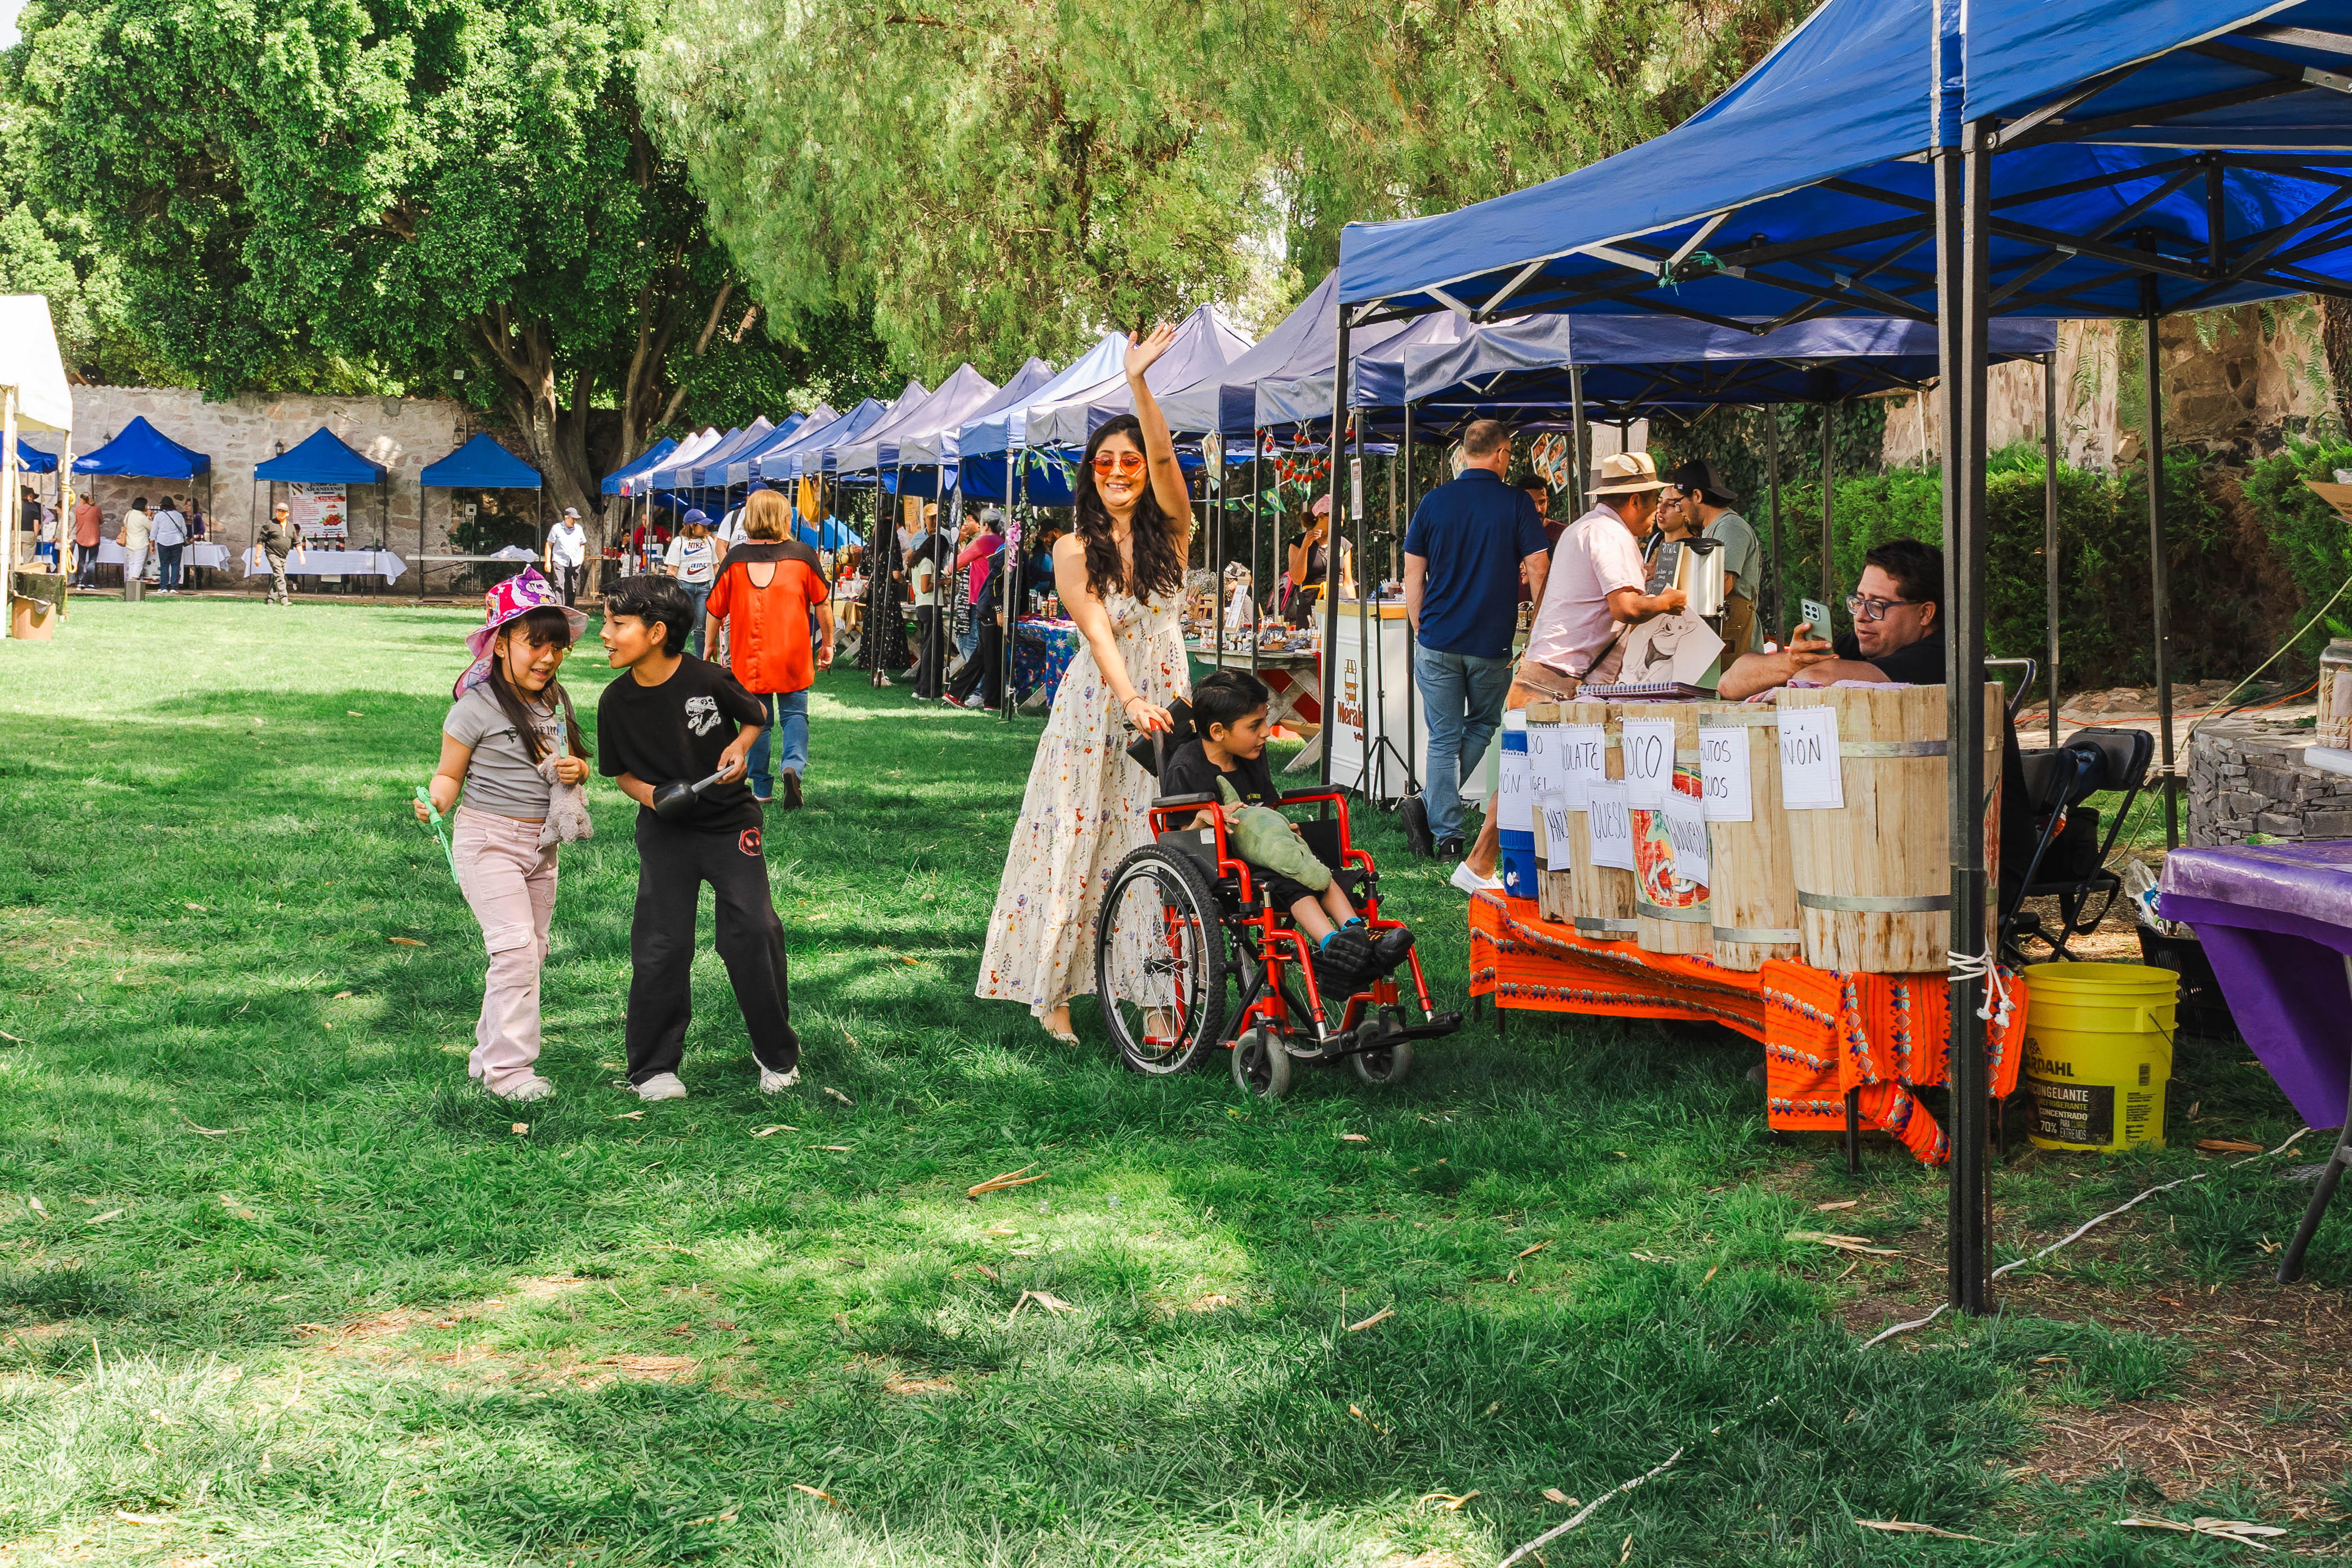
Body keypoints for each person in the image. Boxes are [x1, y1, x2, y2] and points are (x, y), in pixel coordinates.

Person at [978, 325, 1191, 1045]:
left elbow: (1163, 455)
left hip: (1168, 696)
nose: (1120, 470)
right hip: (1099, 702)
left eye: (1130, 461)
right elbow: (1098, 632)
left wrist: (1138, 383)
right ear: (1089, 473)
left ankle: (1156, 994)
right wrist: (1129, 698)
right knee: (1077, 837)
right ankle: (1055, 990)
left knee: (1157, 841)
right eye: (1105, 461)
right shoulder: (1073, 547)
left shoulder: (1174, 528)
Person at [596, 574, 801, 1101]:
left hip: (730, 824)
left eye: (617, 623)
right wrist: (652, 796)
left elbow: (756, 716)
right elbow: (620, 774)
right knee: (662, 944)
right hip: (666, 833)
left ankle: (776, 1055)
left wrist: (741, 747)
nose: (605, 633)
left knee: (754, 929)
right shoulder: (615, 702)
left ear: (656, 632)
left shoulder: (708, 677)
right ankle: (653, 1068)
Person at [1455, 450, 1687, 889]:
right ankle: (1487, 867)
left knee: (1522, 780)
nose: (1655, 512)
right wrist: (1667, 601)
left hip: (1545, 672)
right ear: (1633, 500)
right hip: (1562, 681)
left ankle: (1483, 867)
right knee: (1537, 783)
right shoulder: (1610, 534)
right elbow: (1625, 607)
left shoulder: (1584, 528)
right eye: (1651, 501)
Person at [415, 569, 592, 1103]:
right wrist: (436, 801)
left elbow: (569, 763)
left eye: (557, 646)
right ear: (500, 644)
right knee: (515, 950)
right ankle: (510, 1073)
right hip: (488, 841)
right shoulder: (475, 707)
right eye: (535, 643)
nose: (548, 657)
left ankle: (488, 1058)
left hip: (541, 847)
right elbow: (449, 774)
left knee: (530, 952)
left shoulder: (553, 702)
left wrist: (579, 771)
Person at [1162, 670, 1415, 989]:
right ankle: (1334, 947)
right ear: (1218, 731)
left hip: (1268, 852)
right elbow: (1179, 836)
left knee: (1316, 867)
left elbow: (1267, 808)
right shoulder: (1186, 767)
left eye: (1265, 721)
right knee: (1289, 880)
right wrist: (1204, 817)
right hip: (1224, 868)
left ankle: (1357, 935)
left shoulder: (1251, 754)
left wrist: (1280, 826)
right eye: (1255, 726)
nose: (1267, 733)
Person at [1401, 419, 1552, 880]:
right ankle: (1431, 808)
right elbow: (1539, 568)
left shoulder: (1433, 501)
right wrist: (1540, 626)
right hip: (1491, 644)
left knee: (1443, 737)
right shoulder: (1517, 503)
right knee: (1484, 724)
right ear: (1502, 454)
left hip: (1437, 637)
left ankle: (1445, 832)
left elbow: (1412, 573)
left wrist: (1419, 626)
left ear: (1464, 454)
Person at [705, 488, 832, 809]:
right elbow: (823, 603)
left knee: (756, 721)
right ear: (784, 518)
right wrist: (829, 642)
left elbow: (715, 609)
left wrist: (709, 643)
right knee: (795, 715)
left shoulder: (735, 558)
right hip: (793, 652)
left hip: (749, 655)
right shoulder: (803, 555)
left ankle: (762, 788)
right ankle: (793, 768)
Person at [1719, 536, 1948, 698]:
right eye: (1859, 601)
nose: (1861, 616)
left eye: (1877, 606)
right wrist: (1792, 661)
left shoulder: (1941, 656)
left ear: (1925, 613)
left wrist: (1797, 668)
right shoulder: (1861, 643)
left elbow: (1812, 679)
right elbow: (1729, 683)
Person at [1662, 461, 1764, 655]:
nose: (1678, 510)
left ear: (1697, 496)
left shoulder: (1731, 527)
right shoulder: (1711, 530)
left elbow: (1722, 587)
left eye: (1679, 502)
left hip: (1734, 636)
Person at [1284, 494, 1353, 625]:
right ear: (1321, 516)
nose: (1340, 525)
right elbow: (1297, 579)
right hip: (1310, 604)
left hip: (1339, 601)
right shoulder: (1299, 542)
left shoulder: (1343, 544)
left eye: (1342, 521)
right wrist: (1305, 546)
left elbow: (1348, 582)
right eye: (1337, 520)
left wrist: (1353, 610)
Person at [663, 509, 721, 656]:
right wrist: (672, 593)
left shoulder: (709, 541)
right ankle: (675, 657)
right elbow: (672, 570)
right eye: (703, 525)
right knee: (680, 625)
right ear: (692, 526)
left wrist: (720, 585)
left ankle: (701, 659)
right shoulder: (679, 542)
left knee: (701, 628)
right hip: (684, 587)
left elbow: (716, 566)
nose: (706, 528)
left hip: (704, 588)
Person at [257, 500, 303, 605]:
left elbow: (297, 542)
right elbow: (260, 541)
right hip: (272, 554)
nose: (280, 513)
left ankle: (269, 600)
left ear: (287, 513)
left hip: (283, 556)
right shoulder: (270, 524)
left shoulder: (291, 527)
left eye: (282, 511)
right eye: (278, 511)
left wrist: (302, 556)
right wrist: (258, 556)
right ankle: (284, 599)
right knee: (280, 576)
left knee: (277, 577)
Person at [545, 506, 589, 606]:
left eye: (576, 519)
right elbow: (549, 544)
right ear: (566, 518)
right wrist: (548, 562)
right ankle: (560, 608)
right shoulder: (556, 528)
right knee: (559, 585)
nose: (575, 521)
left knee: (572, 587)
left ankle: (570, 608)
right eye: (573, 519)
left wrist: (582, 557)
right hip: (559, 560)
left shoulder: (579, 529)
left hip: (574, 561)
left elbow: (583, 544)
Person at [149, 495, 188, 594]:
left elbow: (154, 531)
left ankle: (164, 587)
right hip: (177, 542)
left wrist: (152, 544)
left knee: (164, 565)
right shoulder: (179, 515)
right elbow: (184, 531)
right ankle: (174, 587)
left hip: (163, 541)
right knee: (175, 565)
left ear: (162, 505)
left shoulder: (159, 516)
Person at [118, 495, 152, 596]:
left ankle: (129, 581)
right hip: (141, 543)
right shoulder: (142, 518)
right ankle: (134, 581)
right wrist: (149, 516)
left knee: (132, 563)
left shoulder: (129, 514)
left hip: (129, 542)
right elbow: (152, 527)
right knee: (138, 563)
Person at [72, 493, 102, 587]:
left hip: (81, 537)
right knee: (92, 561)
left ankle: (80, 581)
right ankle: (89, 582)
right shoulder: (96, 509)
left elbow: (77, 521)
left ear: (82, 500)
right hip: (93, 537)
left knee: (81, 560)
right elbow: (101, 520)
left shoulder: (77, 510)